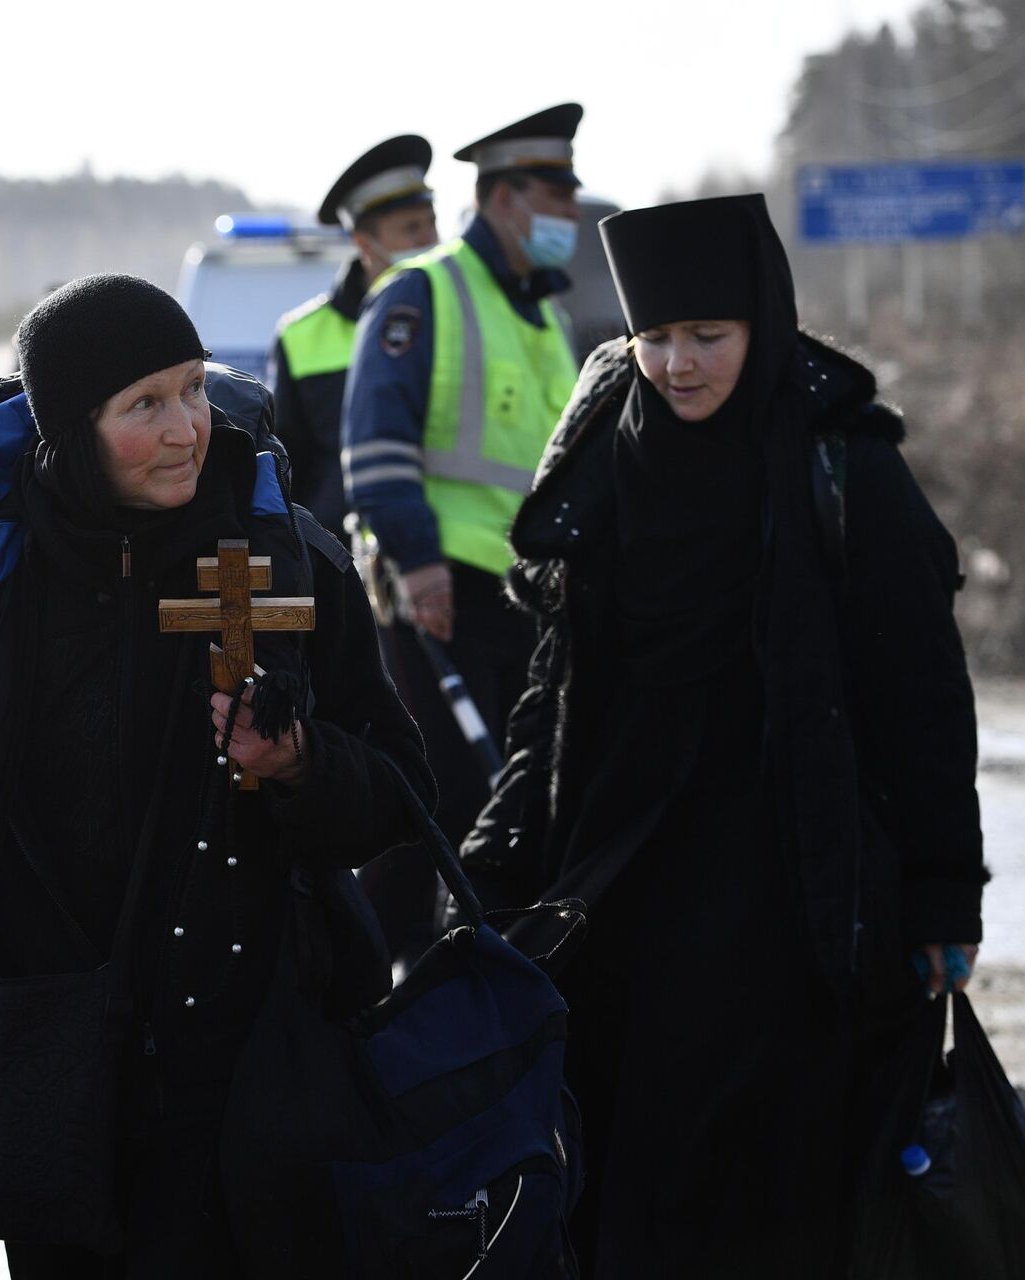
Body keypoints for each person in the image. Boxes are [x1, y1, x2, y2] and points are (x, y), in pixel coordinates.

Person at [0, 274, 432, 1276]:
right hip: (46, 1060)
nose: (186, 429)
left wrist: (300, 764)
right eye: (143, 405)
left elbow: (399, 794)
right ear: (71, 427)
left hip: (248, 1065)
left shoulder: (285, 562)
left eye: (194, 389)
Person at [460, 195, 988, 1275]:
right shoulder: (608, 452)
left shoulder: (843, 464)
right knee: (627, 1166)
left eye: (708, 336)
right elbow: (553, 682)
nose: (679, 365)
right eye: (655, 339)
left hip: (790, 884)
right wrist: (499, 848)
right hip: (624, 879)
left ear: (762, 320)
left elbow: (920, 694)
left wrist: (944, 890)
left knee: (779, 1189)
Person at [340, 104, 586, 965]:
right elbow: (374, 440)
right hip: (444, 592)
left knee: (509, 803)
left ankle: (480, 981)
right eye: (554, 194)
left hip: (530, 603)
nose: (568, 211)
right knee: (441, 801)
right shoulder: (424, 289)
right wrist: (420, 562)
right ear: (503, 198)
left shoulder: (546, 318)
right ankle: (385, 986)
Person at [266, 134, 439, 539]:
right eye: (412, 228)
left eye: (432, 223)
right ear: (365, 243)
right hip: (345, 561)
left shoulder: (466, 315)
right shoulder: (301, 336)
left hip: (446, 550)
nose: (429, 241)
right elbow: (289, 467)